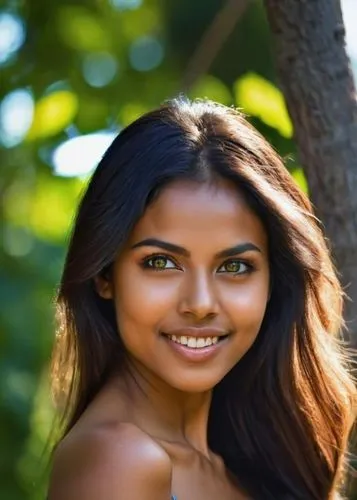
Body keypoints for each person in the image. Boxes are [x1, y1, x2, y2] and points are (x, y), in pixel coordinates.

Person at [47, 97, 356, 500]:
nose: (200, 302)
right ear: (106, 274)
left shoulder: (253, 455)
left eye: (234, 267)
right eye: (161, 262)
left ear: (272, 283)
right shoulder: (118, 461)